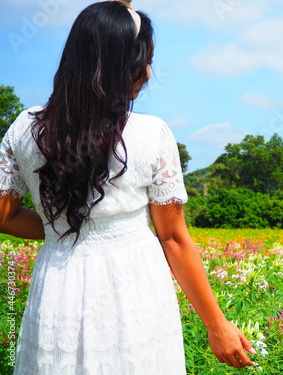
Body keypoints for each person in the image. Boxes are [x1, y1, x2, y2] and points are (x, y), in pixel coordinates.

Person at [0, 1, 255, 373]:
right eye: (144, 60)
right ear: (120, 66)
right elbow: (173, 238)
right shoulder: (151, 134)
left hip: (58, 286)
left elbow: (3, 217)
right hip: (134, 289)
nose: (149, 72)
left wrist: (64, 226)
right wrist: (217, 325)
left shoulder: (25, 128)